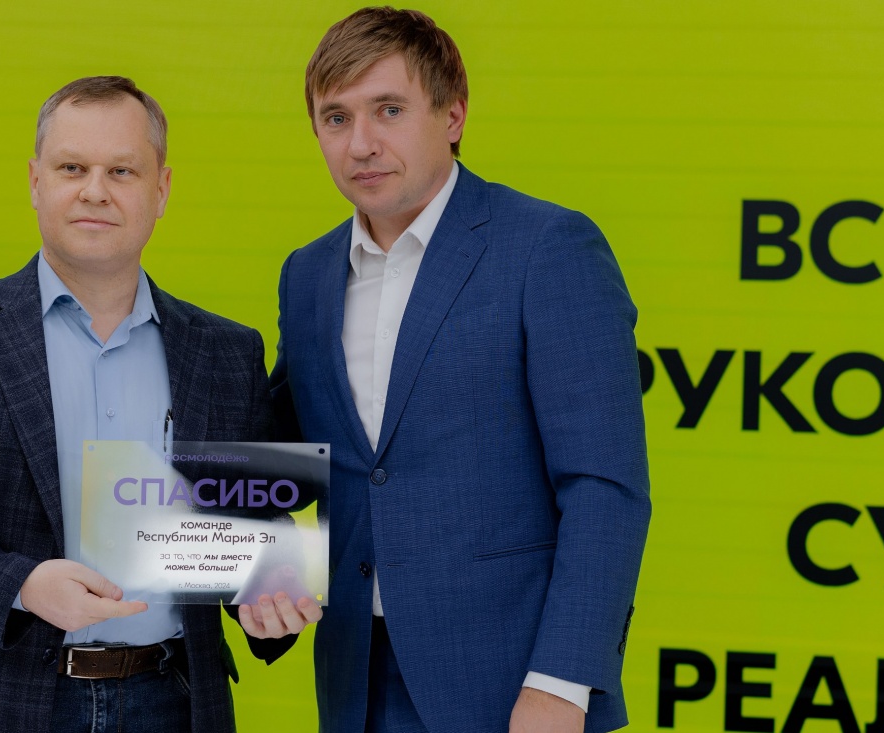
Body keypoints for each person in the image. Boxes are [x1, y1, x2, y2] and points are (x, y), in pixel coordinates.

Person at [0, 75, 311, 733]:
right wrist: (19, 584)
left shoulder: (227, 353)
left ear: (161, 190)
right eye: (72, 168)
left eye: (122, 170)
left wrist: (269, 584)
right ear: (36, 182)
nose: (95, 190)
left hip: (171, 702)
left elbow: (250, 518)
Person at [265, 8, 652, 733]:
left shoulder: (548, 248)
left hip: (512, 688)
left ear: (453, 115)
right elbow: (284, 458)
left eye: (389, 110)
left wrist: (562, 682)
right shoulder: (306, 274)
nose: (362, 143)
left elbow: (605, 487)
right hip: (353, 681)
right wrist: (255, 569)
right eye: (336, 118)